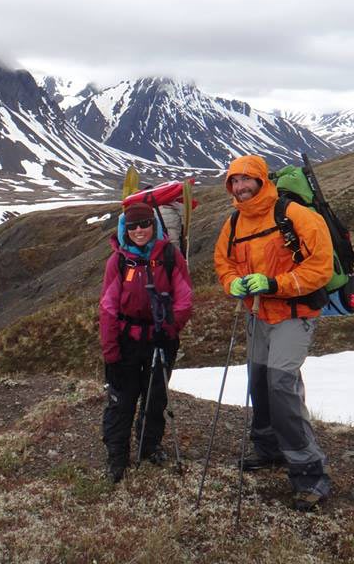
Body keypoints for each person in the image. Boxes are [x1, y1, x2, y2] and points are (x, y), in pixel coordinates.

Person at [213, 154, 333, 512]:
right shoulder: (233, 222)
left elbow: (321, 267)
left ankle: (310, 472)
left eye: (247, 180)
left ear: (263, 180)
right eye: (234, 181)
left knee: (281, 384)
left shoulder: (295, 215)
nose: (240, 187)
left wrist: (275, 283)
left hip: (293, 315)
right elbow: (224, 261)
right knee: (259, 380)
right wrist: (232, 282)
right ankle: (268, 449)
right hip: (257, 314)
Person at [99, 200, 193, 483]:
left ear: (154, 225)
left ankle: (149, 446)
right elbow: (108, 307)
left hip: (161, 340)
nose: (139, 230)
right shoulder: (117, 261)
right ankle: (117, 456)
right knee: (121, 401)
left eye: (145, 224)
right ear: (125, 230)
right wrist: (110, 350)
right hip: (127, 341)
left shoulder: (169, 256)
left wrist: (171, 328)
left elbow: (184, 297)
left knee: (155, 399)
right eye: (133, 226)